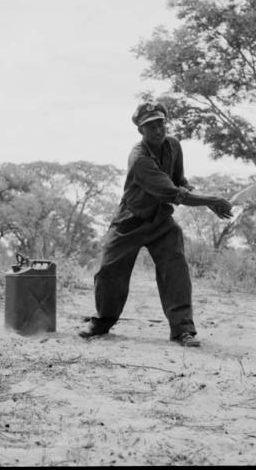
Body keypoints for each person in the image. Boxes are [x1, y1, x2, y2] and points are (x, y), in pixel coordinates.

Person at [79, 101, 233, 347]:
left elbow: (179, 181)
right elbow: (172, 193)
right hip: (130, 221)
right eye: (151, 126)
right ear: (141, 130)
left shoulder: (173, 146)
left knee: (176, 270)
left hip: (161, 221)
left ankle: (183, 330)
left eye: (160, 123)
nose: (158, 129)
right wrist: (210, 200)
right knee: (109, 271)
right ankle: (102, 322)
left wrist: (196, 193)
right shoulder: (139, 158)